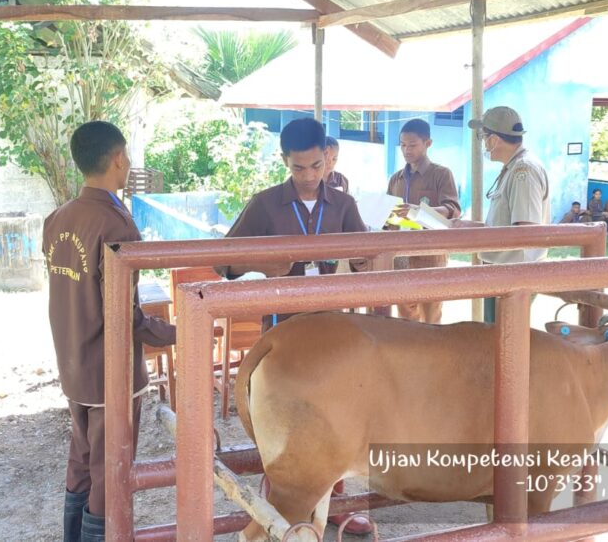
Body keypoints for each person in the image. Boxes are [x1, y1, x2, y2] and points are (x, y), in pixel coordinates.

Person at [214, 117, 373, 533]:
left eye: (316, 166)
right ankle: (279, 511)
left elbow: (366, 258)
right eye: (298, 168)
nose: (308, 176)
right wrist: (262, 263)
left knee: (339, 419)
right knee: (286, 425)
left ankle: (338, 505)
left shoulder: (343, 205)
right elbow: (222, 261)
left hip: (336, 333)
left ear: (329, 158)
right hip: (283, 335)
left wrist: (364, 257)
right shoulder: (264, 204)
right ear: (285, 161)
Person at [42, 121, 178, 542]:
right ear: (118, 159)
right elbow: (125, 316)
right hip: (109, 369)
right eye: (128, 155)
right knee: (110, 469)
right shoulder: (115, 223)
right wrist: (177, 332)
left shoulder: (57, 218)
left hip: (73, 361)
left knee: (82, 458)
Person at [469, 106, 549, 323]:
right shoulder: (513, 168)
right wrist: (467, 227)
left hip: (513, 274)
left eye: (483, 137)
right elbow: (503, 226)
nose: (483, 143)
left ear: (494, 139)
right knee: (493, 341)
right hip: (501, 272)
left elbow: (525, 230)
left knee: (505, 345)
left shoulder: (524, 171)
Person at [386, 118, 461, 324]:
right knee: (404, 311)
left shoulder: (441, 174)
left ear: (428, 143)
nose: (406, 150)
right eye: (402, 145)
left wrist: (422, 212)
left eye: (412, 145)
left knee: (431, 313)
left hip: (430, 254)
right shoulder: (396, 179)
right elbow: (388, 213)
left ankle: (433, 354)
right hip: (401, 254)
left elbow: (452, 208)